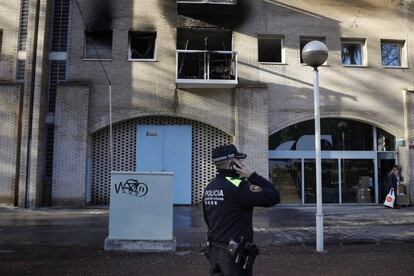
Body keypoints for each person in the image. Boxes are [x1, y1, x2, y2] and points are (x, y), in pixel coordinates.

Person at [202, 144, 280, 276]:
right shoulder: (239, 186)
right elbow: (273, 197)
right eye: (239, 160)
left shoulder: (209, 186)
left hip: (214, 252)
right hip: (234, 255)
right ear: (233, 164)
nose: (242, 163)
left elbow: (207, 217)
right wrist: (252, 176)